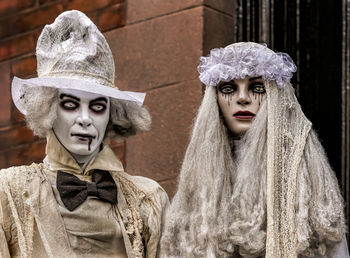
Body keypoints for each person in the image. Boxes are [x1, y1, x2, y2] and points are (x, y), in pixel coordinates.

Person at [0, 10, 169, 257]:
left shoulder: (148, 199)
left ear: (111, 115)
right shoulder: (8, 191)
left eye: (98, 107)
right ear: (47, 108)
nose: (85, 119)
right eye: (70, 104)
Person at [160, 42, 348, 257]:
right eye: (228, 89)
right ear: (215, 100)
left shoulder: (309, 180)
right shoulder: (198, 182)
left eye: (257, 88)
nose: (242, 98)